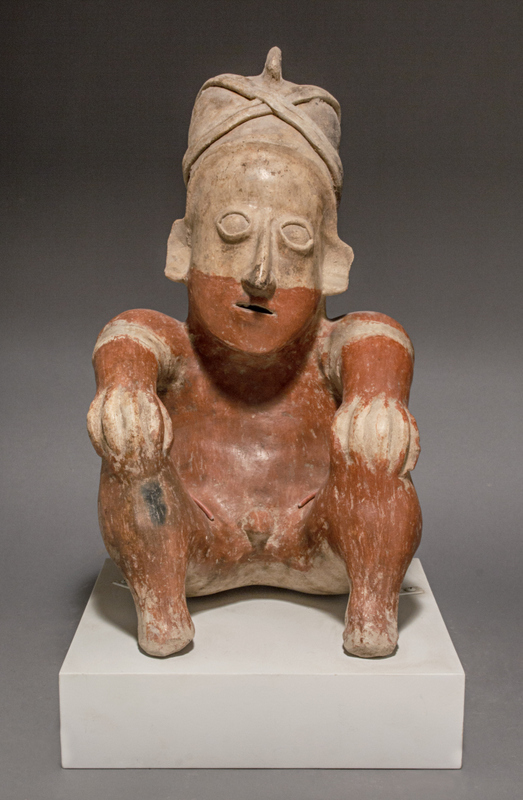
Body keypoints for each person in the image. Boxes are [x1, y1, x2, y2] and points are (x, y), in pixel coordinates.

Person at [87, 48, 421, 658]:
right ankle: (162, 608)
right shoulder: (166, 340)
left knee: (375, 440)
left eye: (294, 238)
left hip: (323, 543)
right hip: (189, 540)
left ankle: (372, 610)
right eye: (233, 231)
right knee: (130, 444)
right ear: (182, 248)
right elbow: (129, 338)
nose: (261, 274)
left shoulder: (340, 342)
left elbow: (376, 338)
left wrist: (377, 401)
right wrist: (125, 393)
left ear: (332, 263)